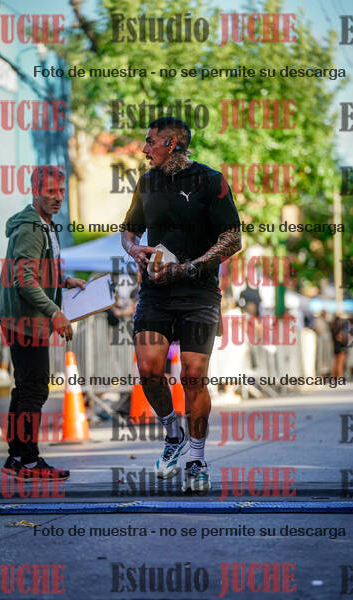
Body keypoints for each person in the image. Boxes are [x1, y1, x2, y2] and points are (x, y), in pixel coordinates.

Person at [121, 117, 241, 492]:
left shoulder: (211, 181)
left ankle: (197, 459)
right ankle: (174, 435)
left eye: (150, 141)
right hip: (156, 290)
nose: (145, 149)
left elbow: (232, 238)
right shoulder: (147, 182)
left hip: (199, 292)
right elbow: (128, 230)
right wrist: (133, 249)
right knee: (148, 369)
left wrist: (189, 268)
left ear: (172, 144)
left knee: (193, 376)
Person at [0, 166, 85, 481]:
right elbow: (24, 279)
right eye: (51, 192)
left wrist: (64, 281)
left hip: (25, 318)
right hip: (24, 321)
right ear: (35, 191)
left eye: (61, 191)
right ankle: (29, 461)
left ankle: (17, 457)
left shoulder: (45, 223)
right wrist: (55, 312)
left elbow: (41, 269)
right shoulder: (31, 227)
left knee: (26, 388)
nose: (58, 197)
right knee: (34, 389)